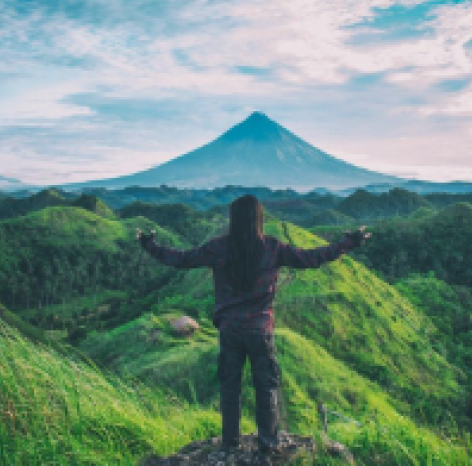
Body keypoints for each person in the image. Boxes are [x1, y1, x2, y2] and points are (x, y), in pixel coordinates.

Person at [137, 194, 371, 464]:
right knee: (266, 386)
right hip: (260, 330)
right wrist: (347, 243)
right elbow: (313, 257)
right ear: (259, 219)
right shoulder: (272, 248)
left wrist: (150, 245)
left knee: (230, 387)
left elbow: (180, 259)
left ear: (233, 219)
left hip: (230, 330)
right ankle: (268, 444)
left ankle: (229, 443)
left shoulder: (219, 248)